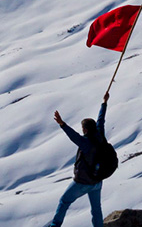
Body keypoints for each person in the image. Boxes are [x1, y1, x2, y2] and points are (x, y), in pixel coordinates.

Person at [47, 92, 112, 227]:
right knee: (96, 208)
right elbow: (101, 119)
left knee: (64, 201)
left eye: (83, 128)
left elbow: (73, 136)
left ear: (86, 130)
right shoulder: (100, 135)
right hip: (97, 181)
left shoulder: (85, 143)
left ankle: (55, 226)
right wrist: (104, 103)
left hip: (83, 182)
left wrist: (62, 124)